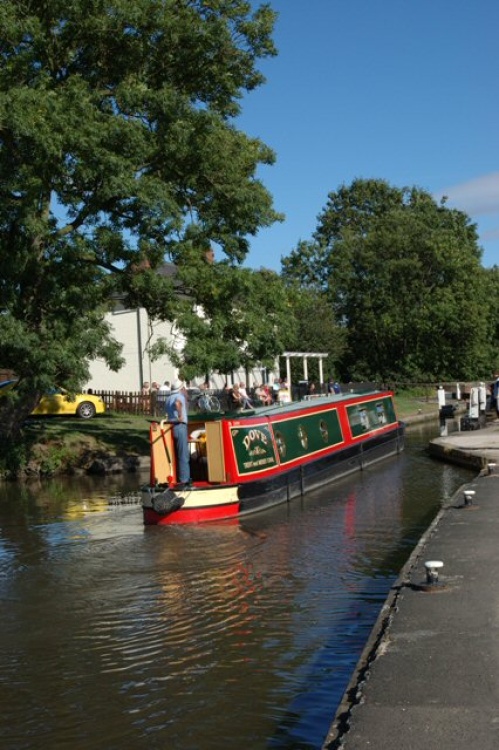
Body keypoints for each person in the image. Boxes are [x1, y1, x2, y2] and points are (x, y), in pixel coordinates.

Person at [165, 379, 191, 488]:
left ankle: (173, 477)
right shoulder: (179, 397)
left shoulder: (168, 398)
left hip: (170, 426)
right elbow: (178, 403)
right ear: (181, 388)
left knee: (173, 454)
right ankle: (184, 480)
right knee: (183, 454)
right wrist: (180, 414)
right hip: (180, 426)